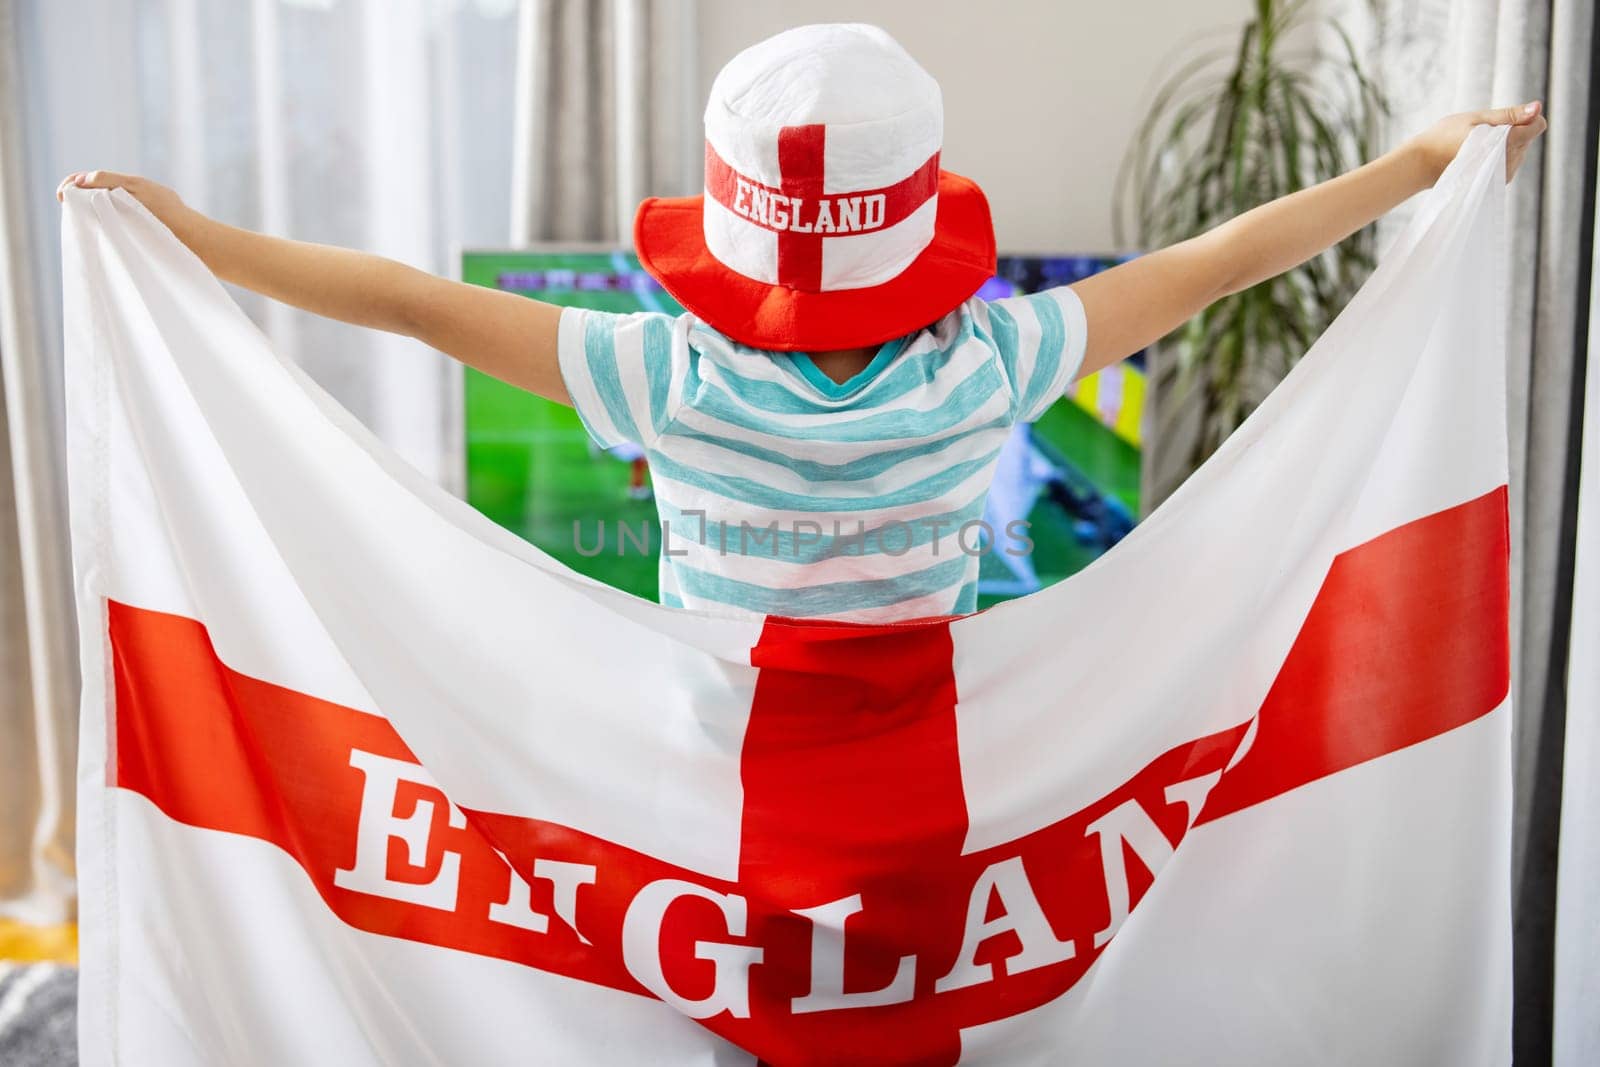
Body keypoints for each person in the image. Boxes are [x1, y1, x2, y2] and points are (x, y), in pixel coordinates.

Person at [57, 23, 1546, 623]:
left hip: (706, 804)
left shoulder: (660, 374)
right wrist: (1418, 167)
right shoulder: (990, 366)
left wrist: (186, 235)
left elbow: (397, 298)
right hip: (934, 793)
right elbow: (1215, 260)